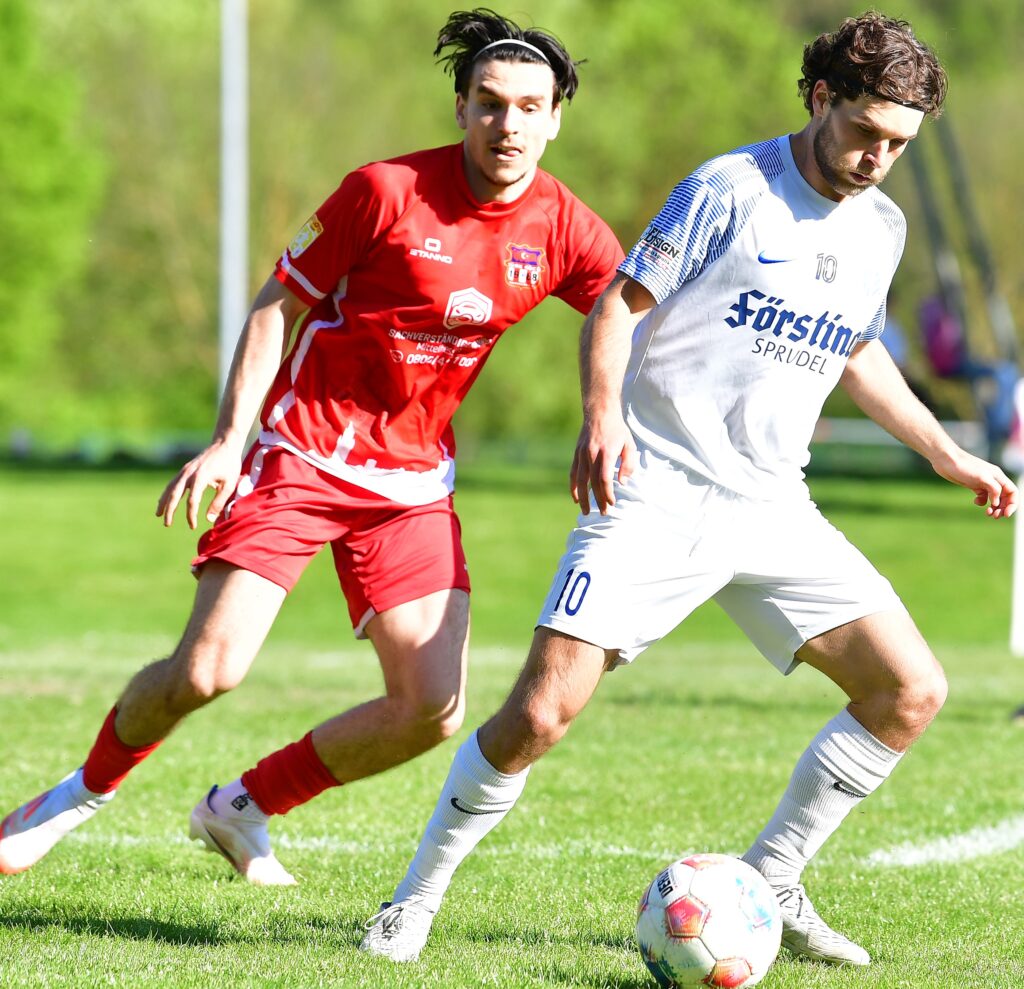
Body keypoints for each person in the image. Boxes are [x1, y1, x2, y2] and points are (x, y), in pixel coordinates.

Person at [361, 12, 1017, 967]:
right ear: (820, 97)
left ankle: (776, 875)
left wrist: (944, 451)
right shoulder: (730, 188)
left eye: (899, 144)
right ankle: (413, 899)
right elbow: (616, 306)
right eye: (865, 131)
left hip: (773, 504)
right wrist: (603, 417)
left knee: (908, 689)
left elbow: (857, 349)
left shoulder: (882, 225)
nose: (879, 157)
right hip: (657, 488)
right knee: (538, 714)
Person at [0, 9, 623, 884]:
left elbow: (631, 315)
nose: (507, 124)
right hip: (302, 452)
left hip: (412, 484)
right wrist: (230, 441)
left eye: (528, 107)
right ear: (461, 108)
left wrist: (610, 413)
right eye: (489, 102)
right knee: (207, 671)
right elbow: (276, 305)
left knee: (432, 707)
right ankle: (73, 796)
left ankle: (242, 807)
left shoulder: (567, 226)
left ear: (556, 118)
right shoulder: (384, 191)